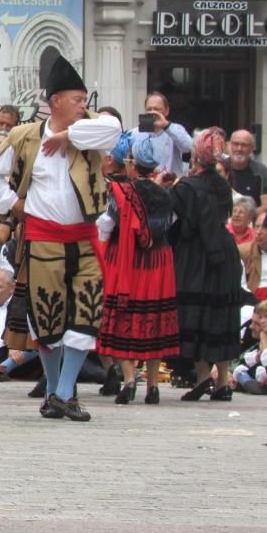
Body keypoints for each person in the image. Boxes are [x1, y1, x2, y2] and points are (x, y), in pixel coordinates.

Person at [0, 55, 121, 422]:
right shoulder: (24, 136)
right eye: (77, 99)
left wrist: (66, 135)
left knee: (88, 313)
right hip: (43, 237)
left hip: (85, 237)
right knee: (48, 318)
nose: (83, 106)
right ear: (55, 100)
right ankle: (59, 393)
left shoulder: (90, 129)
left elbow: (114, 130)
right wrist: (14, 204)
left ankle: (62, 392)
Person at [95, 136, 180, 405]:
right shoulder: (165, 194)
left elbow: (106, 225)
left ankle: (129, 381)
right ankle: (153, 385)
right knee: (155, 319)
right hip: (159, 261)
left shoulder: (121, 194)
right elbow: (170, 224)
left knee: (124, 320)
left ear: (132, 165)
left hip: (129, 261)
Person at [170, 128, 244, 402]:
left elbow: (178, 225)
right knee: (221, 310)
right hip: (224, 251)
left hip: (195, 254)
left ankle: (202, 376)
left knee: (196, 310)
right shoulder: (223, 184)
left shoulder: (185, 188)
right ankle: (222, 380)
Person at [129, 92, 192, 177]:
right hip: (143, 184)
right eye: (149, 109)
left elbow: (188, 147)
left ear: (166, 111)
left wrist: (166, 125)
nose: (153, 112)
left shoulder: (175, 129)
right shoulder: (135, 133)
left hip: (169, 185)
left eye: (157, 109)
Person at [228, 129, 267, 211]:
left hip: (251, 220)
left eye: (244, 145)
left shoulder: (261, 172)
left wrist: (245, 216)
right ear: (230, 145)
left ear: (252, 148)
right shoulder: (219, 168)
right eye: (236, 144)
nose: (239, 149)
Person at [238, 211, 267, 302]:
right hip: (253, 297)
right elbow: (241, 285)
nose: (258, 232)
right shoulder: (242, 251)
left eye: (264, 227)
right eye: (257, 226)